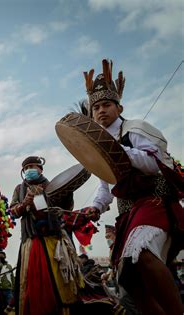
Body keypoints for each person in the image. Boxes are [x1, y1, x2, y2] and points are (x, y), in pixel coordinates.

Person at [84, 59, 183, 315]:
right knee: (128, 278)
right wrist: (95, 207)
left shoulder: (134, 129)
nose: (101, 111)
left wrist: (118, 150)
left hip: (154, 202)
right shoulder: (101, 142)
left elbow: (155, 163)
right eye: (96, 107)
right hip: (128, 213)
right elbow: (105, 185)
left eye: (106, 105)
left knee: (142, 255)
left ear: (119, 107)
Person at [10, 156, 88, 315]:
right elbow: (12, 212)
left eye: (34, 166)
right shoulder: (19, 189)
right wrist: (25, 203)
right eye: (27, 167)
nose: (30, 170)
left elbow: (66, 207)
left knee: (60, 282)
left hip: (55, 240)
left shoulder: (53, 186)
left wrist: (67, 191)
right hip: (31, 241)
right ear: (23, 171)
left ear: (41, 169)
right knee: (34, 284)